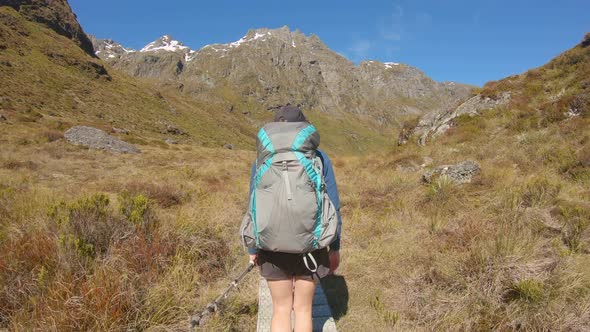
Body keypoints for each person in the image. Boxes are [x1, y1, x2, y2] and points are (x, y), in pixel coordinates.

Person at [246, 105, 342, 332]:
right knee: (303, 309)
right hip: (311, 243)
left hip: (271, 244)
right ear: (303, 128)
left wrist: (252, 249)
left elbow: (253, 205)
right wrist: (334, 247)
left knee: (280, 309)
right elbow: (333, 205)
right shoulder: (318, 157)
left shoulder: (262, 159)